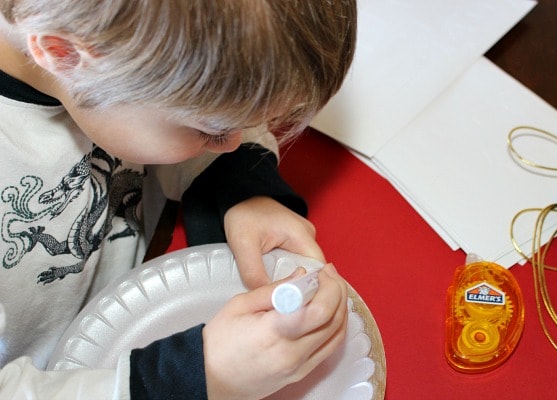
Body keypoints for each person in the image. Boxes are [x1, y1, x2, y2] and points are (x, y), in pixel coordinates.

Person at [0, 1, 356, 399]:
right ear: (63, 55)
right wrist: (191, 379)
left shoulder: (112, 57)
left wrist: (241, 186)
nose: (233, 141)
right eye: (212, 132)